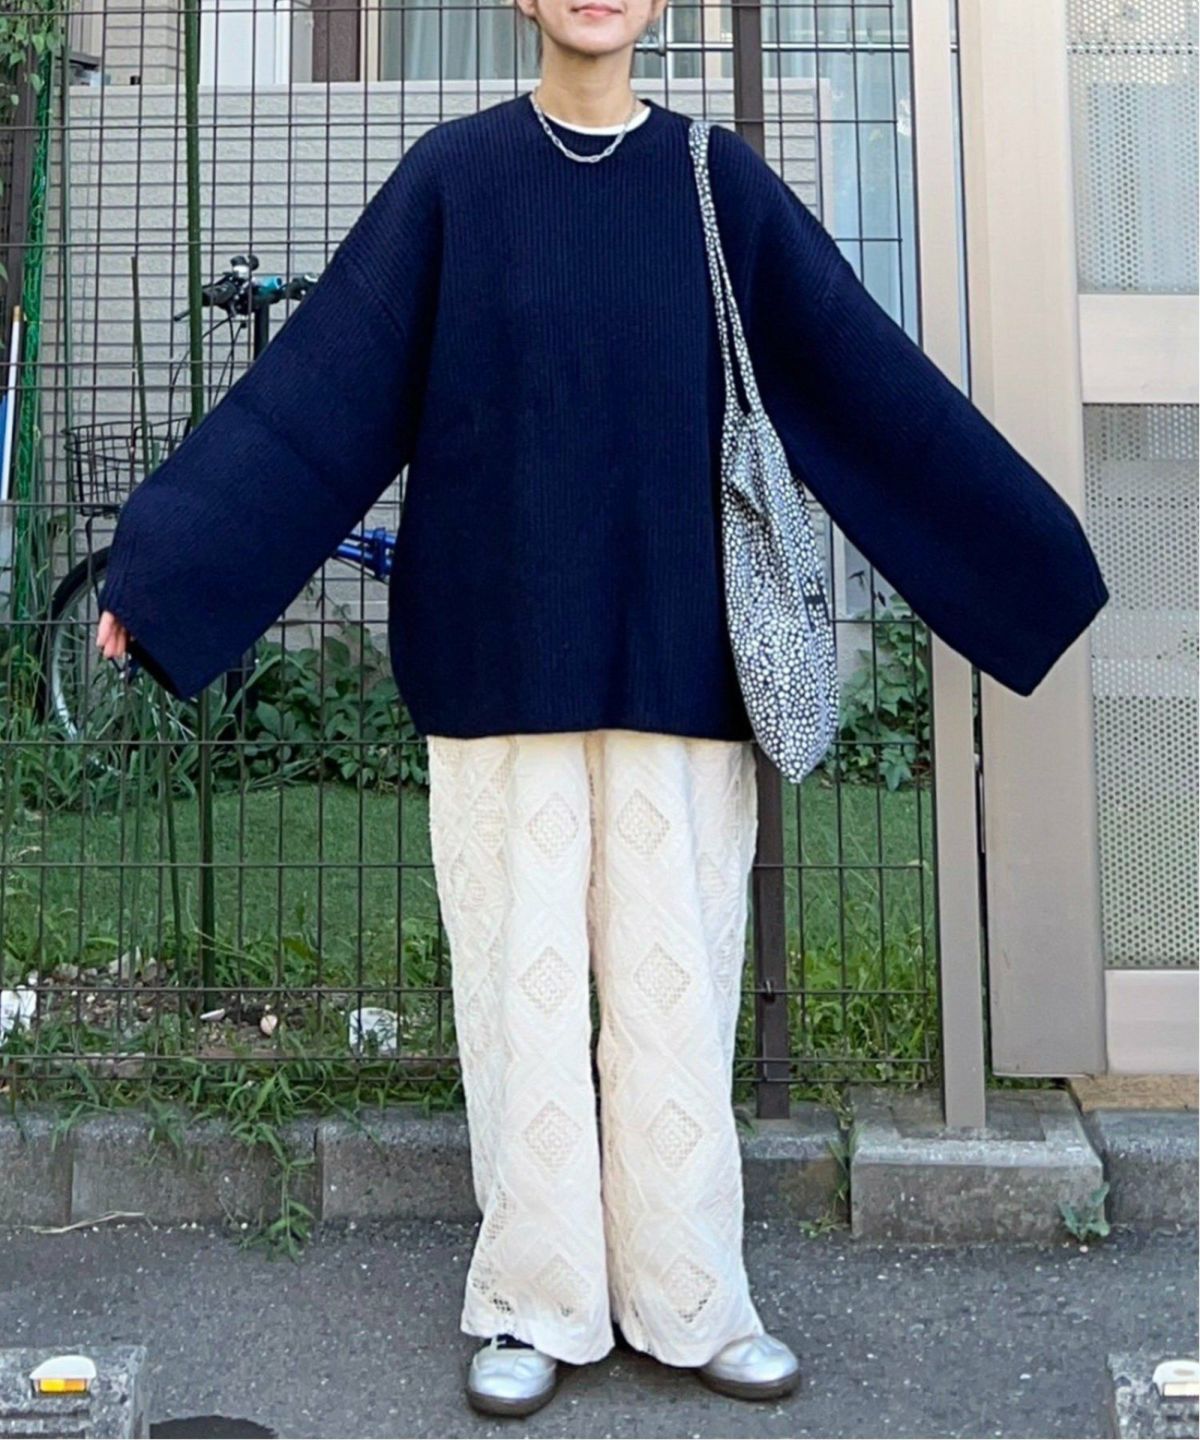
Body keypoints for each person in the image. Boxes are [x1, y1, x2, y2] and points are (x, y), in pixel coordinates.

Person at [93, 0, 1110, 1418]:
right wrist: (169, 571)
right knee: (519, 996)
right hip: (495, 662)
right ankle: (536, 1299)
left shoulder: (715, 183)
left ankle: (691, 1299)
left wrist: (1031, 568)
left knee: (674, 993)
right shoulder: (454, 181)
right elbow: (315, 401)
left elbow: (867, 384)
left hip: (677, 662)